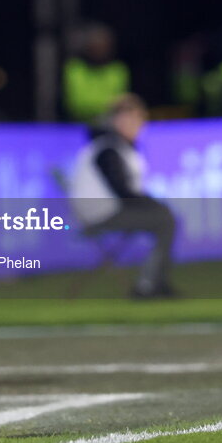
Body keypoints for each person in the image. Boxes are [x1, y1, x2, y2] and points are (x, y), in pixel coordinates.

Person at [68, 93, 178, 297]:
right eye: (130, 119)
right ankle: (149, 285)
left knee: (165, 217)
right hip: (101, 214)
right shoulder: (108, 148)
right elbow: (122, 191)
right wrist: (153, 204)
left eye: (139, 118)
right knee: (166, 220)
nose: (137, 125)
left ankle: (154, 282)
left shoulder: (119, 147)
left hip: (110, 209)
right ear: (116, 120)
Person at [62, 21, 130, 123]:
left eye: (103, 46)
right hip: (77, 126)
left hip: (110, 125)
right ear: (87, 47)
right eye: (95, 46)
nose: (99, 50)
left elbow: (120, 103)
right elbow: (76, 104)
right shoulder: (75, 68)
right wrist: (109, 104)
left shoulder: (117, 70)